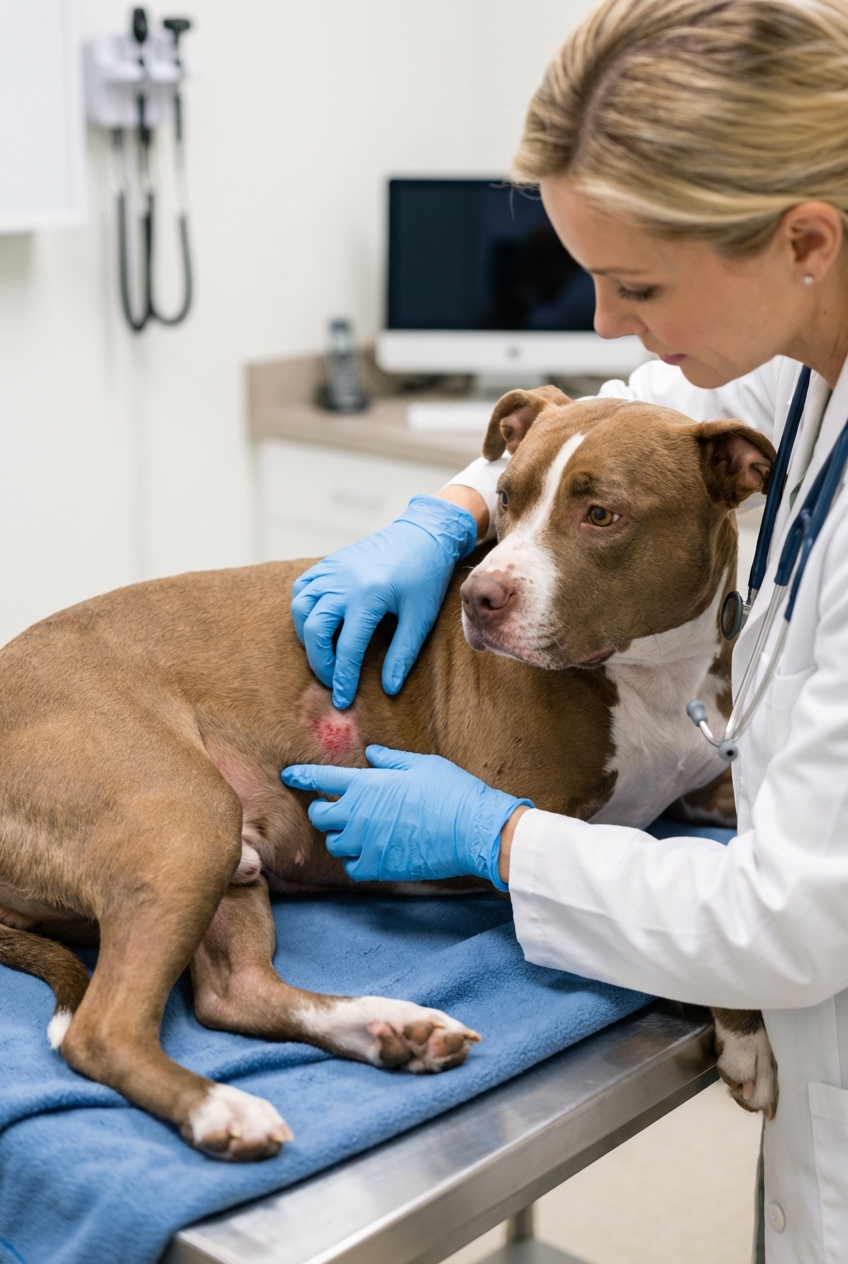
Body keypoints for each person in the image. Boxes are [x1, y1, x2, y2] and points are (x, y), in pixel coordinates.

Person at [282, 3, 848, 1259]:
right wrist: (452, 507)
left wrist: (494, 836)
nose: (598, 320)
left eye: (634, 282)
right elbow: (637, 412)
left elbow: (788, 919)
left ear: (802, 238)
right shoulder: (799, 345)